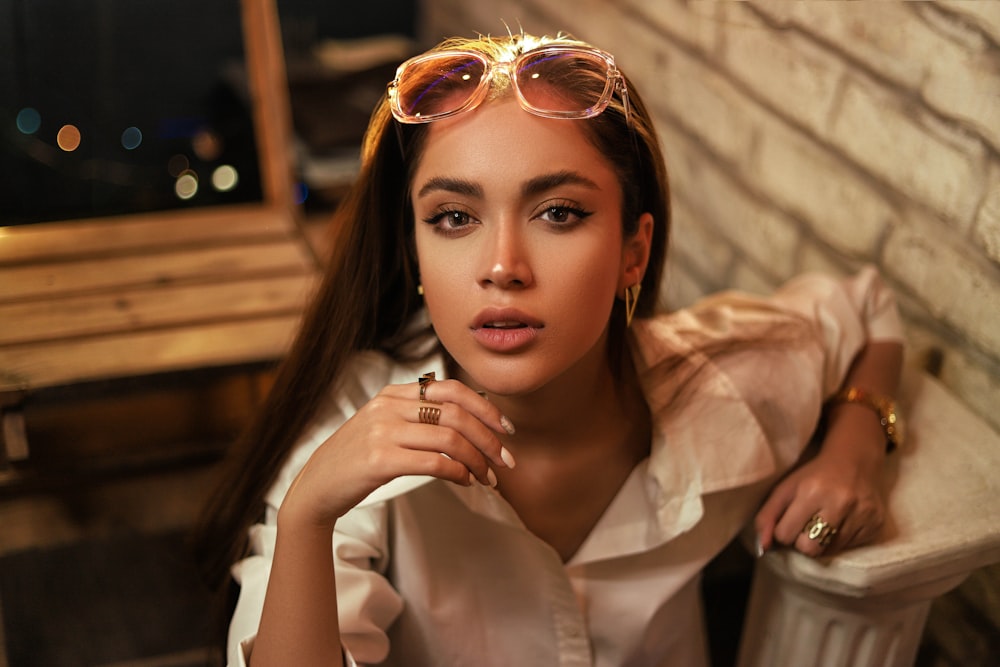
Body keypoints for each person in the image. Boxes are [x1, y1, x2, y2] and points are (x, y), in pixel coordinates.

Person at [194, 30, 904, 667]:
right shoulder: (356, 422)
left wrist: (857, 441)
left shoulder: (721, 388)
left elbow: (868, 309)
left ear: (635, 249)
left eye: (558, 212)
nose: (502, 265)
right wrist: (309, 509)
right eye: (453, 217)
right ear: (412, 252)